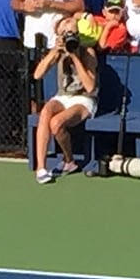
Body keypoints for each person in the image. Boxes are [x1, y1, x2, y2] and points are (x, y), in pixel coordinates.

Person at [30, 13, 96, 183]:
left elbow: (90, 87)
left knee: (56, 123)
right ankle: (41, 168)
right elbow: (37, 75)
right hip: (63, 96)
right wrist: (54, 52)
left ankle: (69, 160)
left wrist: (74, 56)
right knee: (46, 111)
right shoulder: (57, 52)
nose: (69, 37)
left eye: (72, 33)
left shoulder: (87, 52)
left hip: (84, 98)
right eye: (65, 34)